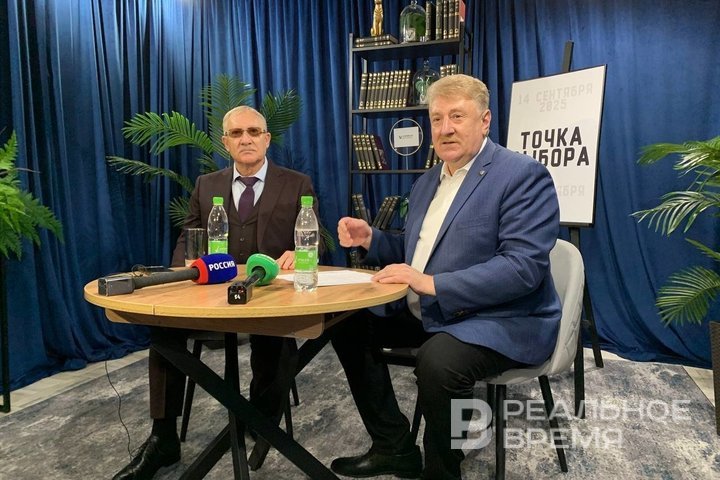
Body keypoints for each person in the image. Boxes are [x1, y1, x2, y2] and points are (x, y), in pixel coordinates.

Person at [330, 74, 561, 480]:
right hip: (434, 311)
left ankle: (442, 471)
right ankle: (394, 447)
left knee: (439, 364)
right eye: (437, 119)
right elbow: (419, 251)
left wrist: (432, 284)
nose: (445, 128)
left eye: (457, 116)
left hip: (499, 318)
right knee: (345, 322)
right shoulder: (426, 183)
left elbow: (522, 267)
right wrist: (372, 239)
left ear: (485, 121)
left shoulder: (522, 175)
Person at [113, 105, 321, 480]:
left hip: (269, 298)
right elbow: (189, 239)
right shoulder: (206, 185)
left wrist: (297, 251)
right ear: (225, 142)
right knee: (164, 332)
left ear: (266, 139)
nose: (246, 139)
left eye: (254, 132)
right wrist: (177, 283)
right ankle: (163, 438)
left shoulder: (297, 184)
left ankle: (260, 421)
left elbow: (312, 238)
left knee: (274, 341)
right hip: (211, 298)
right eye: (236, 133)